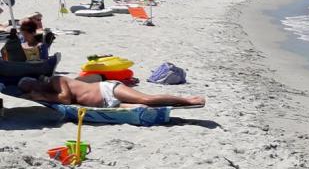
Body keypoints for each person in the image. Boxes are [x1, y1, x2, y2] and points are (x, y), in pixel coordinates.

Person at [15, 74, 205, 108]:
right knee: (143, 106)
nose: (33, 90)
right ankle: (178, 103)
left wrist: (40, 95)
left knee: (147, 100)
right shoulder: (49, 93)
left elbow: (65, 99)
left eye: (31, 86)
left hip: (107, 90)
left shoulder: (57, 81)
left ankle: (187, 100)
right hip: (106, 103)